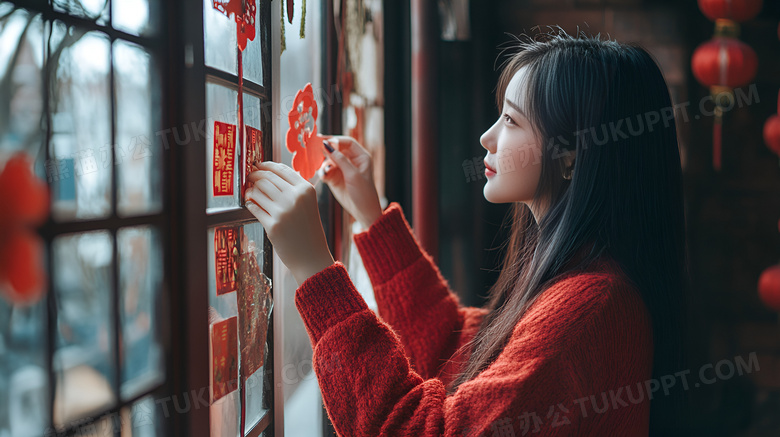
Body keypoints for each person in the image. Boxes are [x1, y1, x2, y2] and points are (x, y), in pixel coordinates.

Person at [244, 27, 690, 436]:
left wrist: (315, 273)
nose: (486, 138)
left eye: (512, 121)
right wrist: (372, 214)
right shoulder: (587, 278)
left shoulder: (589, 307)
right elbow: (455, 347)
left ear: (571, 157)